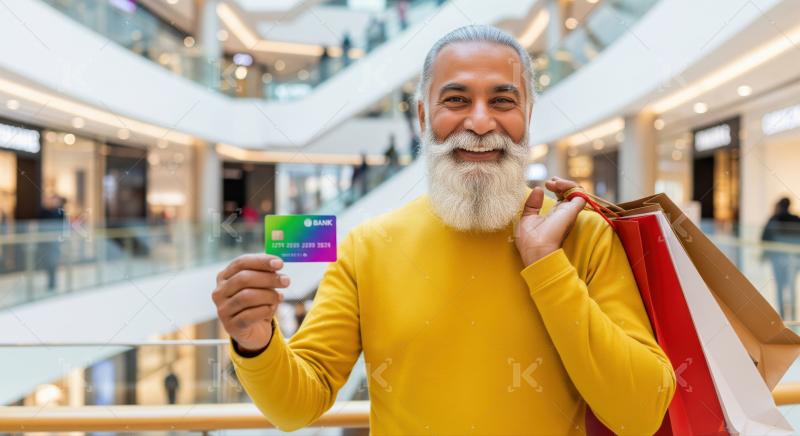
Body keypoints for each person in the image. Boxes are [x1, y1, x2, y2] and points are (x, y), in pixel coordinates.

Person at [213, 25, 675, 434]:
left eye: (502, 101)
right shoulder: (368, 247)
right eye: (455, 100)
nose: (478, 122)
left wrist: (548, 268)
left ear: (527, 117)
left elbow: (639, 413)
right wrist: (256, 341)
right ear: (421, 117)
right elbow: (297, 407)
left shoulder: (582, 233)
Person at [762, 197, 800, 319]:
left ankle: (783, 317)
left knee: (780, 287)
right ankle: (792, 316)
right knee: (791, 286)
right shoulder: (796, 219)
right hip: (793, 259)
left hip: (778, 258)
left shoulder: (774, 219)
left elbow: (764, 238)